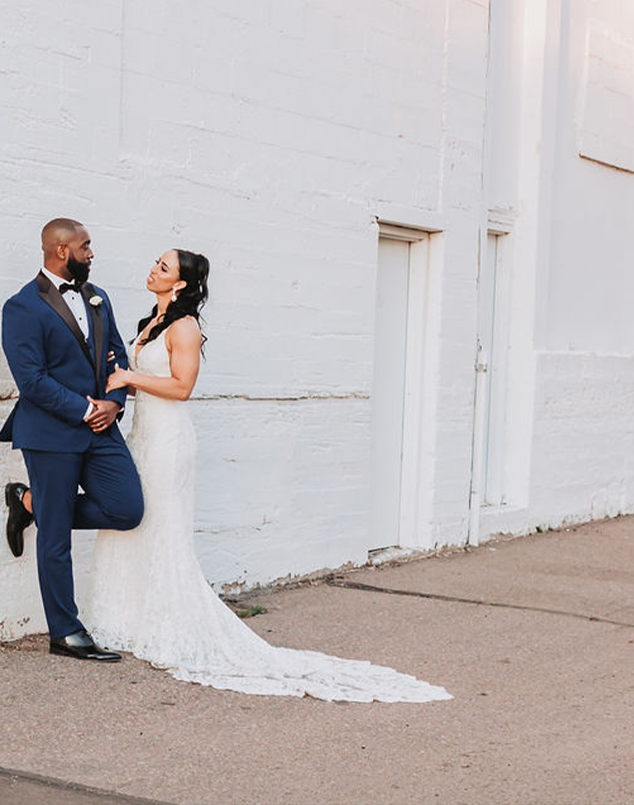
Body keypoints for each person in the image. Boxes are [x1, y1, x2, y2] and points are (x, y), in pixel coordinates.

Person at [81, 248, 451, 703]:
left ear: (180, 284)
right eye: (157, 262)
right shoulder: (149, 325)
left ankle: (167, 622)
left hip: (169, 440)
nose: (153, 269)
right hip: (143, 436)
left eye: (164, 268)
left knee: (164, 529)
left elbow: (182, 388)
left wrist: (129, 380)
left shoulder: (185, 327)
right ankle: (128, 618)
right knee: (137, 524)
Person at [0, 218, 143, 661]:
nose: (91, 253)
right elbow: (32, 380)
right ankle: (65, 631)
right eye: (86, 246)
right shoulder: (22, 307)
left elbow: (117, 353)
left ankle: (28, 504)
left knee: (127, 509)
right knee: (56, 536)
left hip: (103, 428)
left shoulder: (99, 299)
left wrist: (114, 403)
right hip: (52, 434)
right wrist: (86, 408)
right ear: (61, 250)